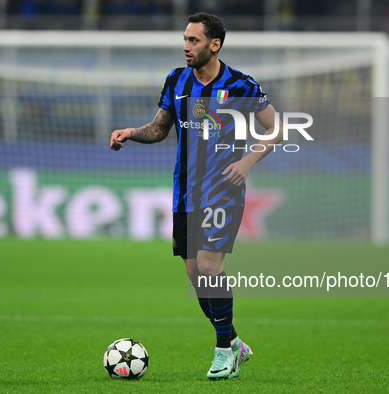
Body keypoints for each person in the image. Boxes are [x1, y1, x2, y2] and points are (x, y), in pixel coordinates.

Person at [110, 12, 283, 380]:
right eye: (185, 40)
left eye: (194, 40)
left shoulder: (240, 85)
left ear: (214, 44)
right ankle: (234, 341)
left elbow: (276, 128)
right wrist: (130, 132)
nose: (186, 46)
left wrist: (249, 161)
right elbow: (159, 129)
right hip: (185, 193)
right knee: (194, 274)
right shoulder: (176, 80)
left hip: (223, 189)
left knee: (209, 267)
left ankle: (223, 352)